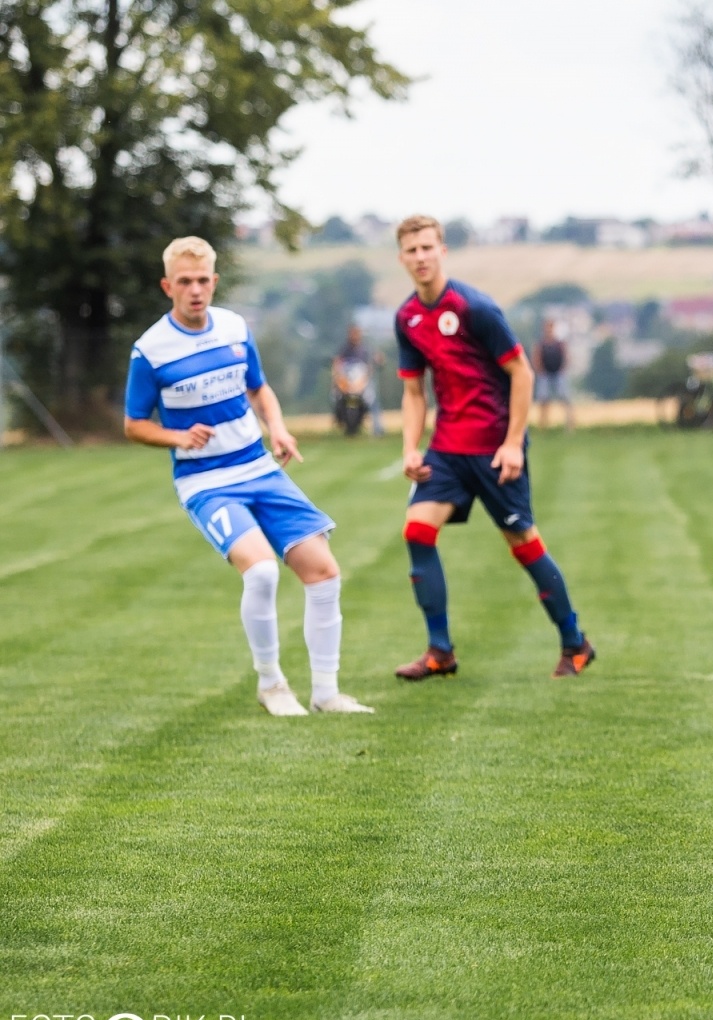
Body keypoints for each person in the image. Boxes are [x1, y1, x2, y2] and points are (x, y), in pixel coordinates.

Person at [123, 236, 373, 717]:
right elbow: (133, 425)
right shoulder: (150, 351)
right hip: (206, 483)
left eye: (202, 281)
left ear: (214, 282)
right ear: (167, 286)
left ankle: (326, 693)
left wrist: (277, 428)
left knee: (323, 571)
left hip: (258, 466)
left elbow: (260, 391)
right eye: (184, 282)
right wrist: (176, 439)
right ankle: (272, 684)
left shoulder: (236, 329)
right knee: (260, 571)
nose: (195, 290)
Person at [390, 215, 596, 680]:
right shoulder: (407, 318)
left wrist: (512, 444)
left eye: (428, 247)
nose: (420, 257)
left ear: (443, 250)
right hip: (446, 449)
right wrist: (410, 448)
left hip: (495, 449)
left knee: (523, 543)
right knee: (417, 532)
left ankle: (575, 641)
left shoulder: (475, 307)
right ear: (401, 258)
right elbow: (413, 392)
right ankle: (440, 652)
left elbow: (522, 373)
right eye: (411, 250)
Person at [332, 325, 385, 437]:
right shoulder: (344, 349)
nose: (354, 336)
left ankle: (378, 428)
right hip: (347, 381)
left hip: (362, 380)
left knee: (372, 398)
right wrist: (336, 376)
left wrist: (378, 361)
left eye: (356, 334)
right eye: (352, 334)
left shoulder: (366, 349)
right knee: (334, 396)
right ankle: (337, 419)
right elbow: (337, 363)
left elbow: (373, 363)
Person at [535, 320, 576, 432]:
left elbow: (566, 357)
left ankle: (570, 425)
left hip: (558, 373)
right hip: (545, 374)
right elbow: (537, 359)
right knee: (543, 400)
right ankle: (543, 426)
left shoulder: (560, 344)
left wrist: (563, 369)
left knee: (565, 399)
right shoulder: (541, 344)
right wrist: (540, 370)